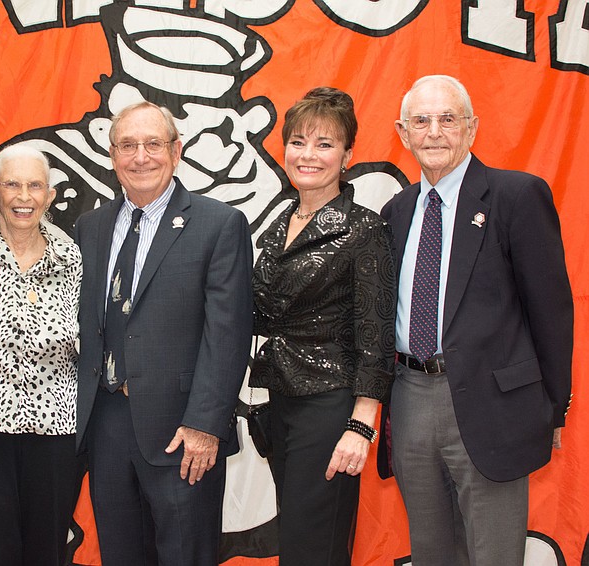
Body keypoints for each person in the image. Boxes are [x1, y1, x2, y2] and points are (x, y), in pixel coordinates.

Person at [378, 75, 573, 566]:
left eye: (448, 118)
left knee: (493, 555)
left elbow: (551, 310)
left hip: (494, 406)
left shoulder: (516, 196)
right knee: (432, 553)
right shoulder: (395, 212)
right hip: (409, 399)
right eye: (421, 121)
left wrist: (552, 406)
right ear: (403, 133)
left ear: (472, 128)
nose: (435, 131)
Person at [74, 101, 253, 566]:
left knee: (184, 556)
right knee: (121, 554)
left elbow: (229, 335)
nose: (140, 157)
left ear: (176, 152)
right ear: (112, 155)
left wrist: (204, 426)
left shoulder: (219, 225)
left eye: (153, 144)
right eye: (127, 145)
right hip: (106, 425)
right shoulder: (88, 227)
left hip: (183, 432)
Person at [251, 87, 396, 565]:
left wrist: (361, 423)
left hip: (330, 409)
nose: (307, 154)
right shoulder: (279, 224)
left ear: (347, 155)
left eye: (324, 144)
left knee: (312, 548)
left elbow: (376, 335)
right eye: (297, 141)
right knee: (299, 543)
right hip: (281, 405)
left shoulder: (365, 229)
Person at [0, 144, 82, 565]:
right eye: (12, 185)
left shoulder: (74, 256)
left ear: (49, 195)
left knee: (47, 552)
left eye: (34, 186)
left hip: (55, 433)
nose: (23, 197)